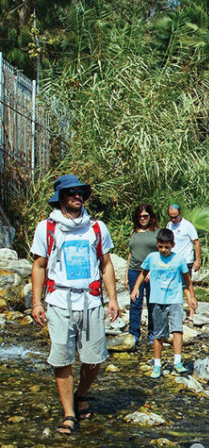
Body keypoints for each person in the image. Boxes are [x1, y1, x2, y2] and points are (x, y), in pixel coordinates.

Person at [30, 174, 120, 435]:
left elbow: (106, 265)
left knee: (94, 359)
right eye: (70, 193)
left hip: (91, 300)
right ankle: (69, 413)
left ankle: (82, 393)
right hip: (58, 300)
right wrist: (37, 302)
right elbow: (39, 266)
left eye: (80, 192)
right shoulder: (46, 228)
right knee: (62, 358)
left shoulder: (97, 227)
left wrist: (112, 298)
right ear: (60, 197)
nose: (76, 196)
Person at [130, 228, 196, 378]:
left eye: (167, 247)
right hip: (157, 300)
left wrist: (191, 297)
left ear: (172, 245)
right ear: (157, 245)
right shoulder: (152, 257)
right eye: (160, 246)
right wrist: (136, 288)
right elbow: (143, 273)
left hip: (175, 300)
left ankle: (178, 362)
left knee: (177, 330)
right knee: (158, 334)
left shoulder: (179, 259)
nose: (163, 250)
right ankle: (157, 364)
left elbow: (187, 280)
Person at [124, 204, 158, 345]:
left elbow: (161, 253)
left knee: (152, 303)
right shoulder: (134, 232)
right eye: (140, 216)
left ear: (150, 217)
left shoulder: (157, 232)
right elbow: (131, 254)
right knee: (135, 303)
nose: (142, 219)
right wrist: (126, 275)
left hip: (152, 272)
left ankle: (153, 333)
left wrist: (153, 269)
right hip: (134, 271)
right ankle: (134, 333)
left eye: (145, 216)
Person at [166, 204, 200, 320]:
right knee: (173, 286)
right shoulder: (169, 225)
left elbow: (196, 242)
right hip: (172, 260)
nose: (173, 219)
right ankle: (173, 311)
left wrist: (197, 260)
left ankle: (191, 312)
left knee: (186, 286)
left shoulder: (187, 226)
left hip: (185, 260)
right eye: (171, 217)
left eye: (175, 216)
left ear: (180, 213)